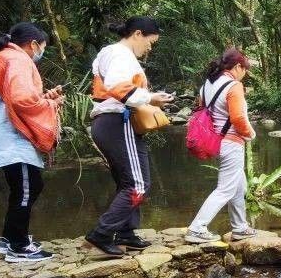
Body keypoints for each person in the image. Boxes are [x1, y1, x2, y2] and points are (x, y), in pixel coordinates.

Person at [85, 17, 174, 256]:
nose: (150, 48)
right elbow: (117, 85)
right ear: (137, 34)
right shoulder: (120, 54)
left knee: (130, 182)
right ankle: (102, 234)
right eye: (150, 42)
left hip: (111, 123)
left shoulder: (111, 53)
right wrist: (150, 98)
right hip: (117, 122)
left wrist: (148, 97)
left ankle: (126, 233)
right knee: (137, 184)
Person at [0, 22, 63, 262]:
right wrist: (51, 104)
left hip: (2, 134)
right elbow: (21, 101)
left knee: (24, 187)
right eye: (43, 47)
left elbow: (14, 97)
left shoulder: (2, 58)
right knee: (28, 188)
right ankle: (18, 246)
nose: (41, 52)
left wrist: (44, 97)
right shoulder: (18, 60)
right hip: (12, 138)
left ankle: (8, 240)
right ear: (34, 44)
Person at [185, 48, 257, 243]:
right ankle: (197, 228)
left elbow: (203, 111)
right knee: (225, 189)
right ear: (237, 67)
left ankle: (240, 227)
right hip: (232, 142)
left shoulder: (206, 86)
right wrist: (250, 133)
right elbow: (238, 117)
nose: (245, 74)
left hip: (216, 142)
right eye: (245, 69)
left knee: (238, 185)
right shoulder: (234, 86)